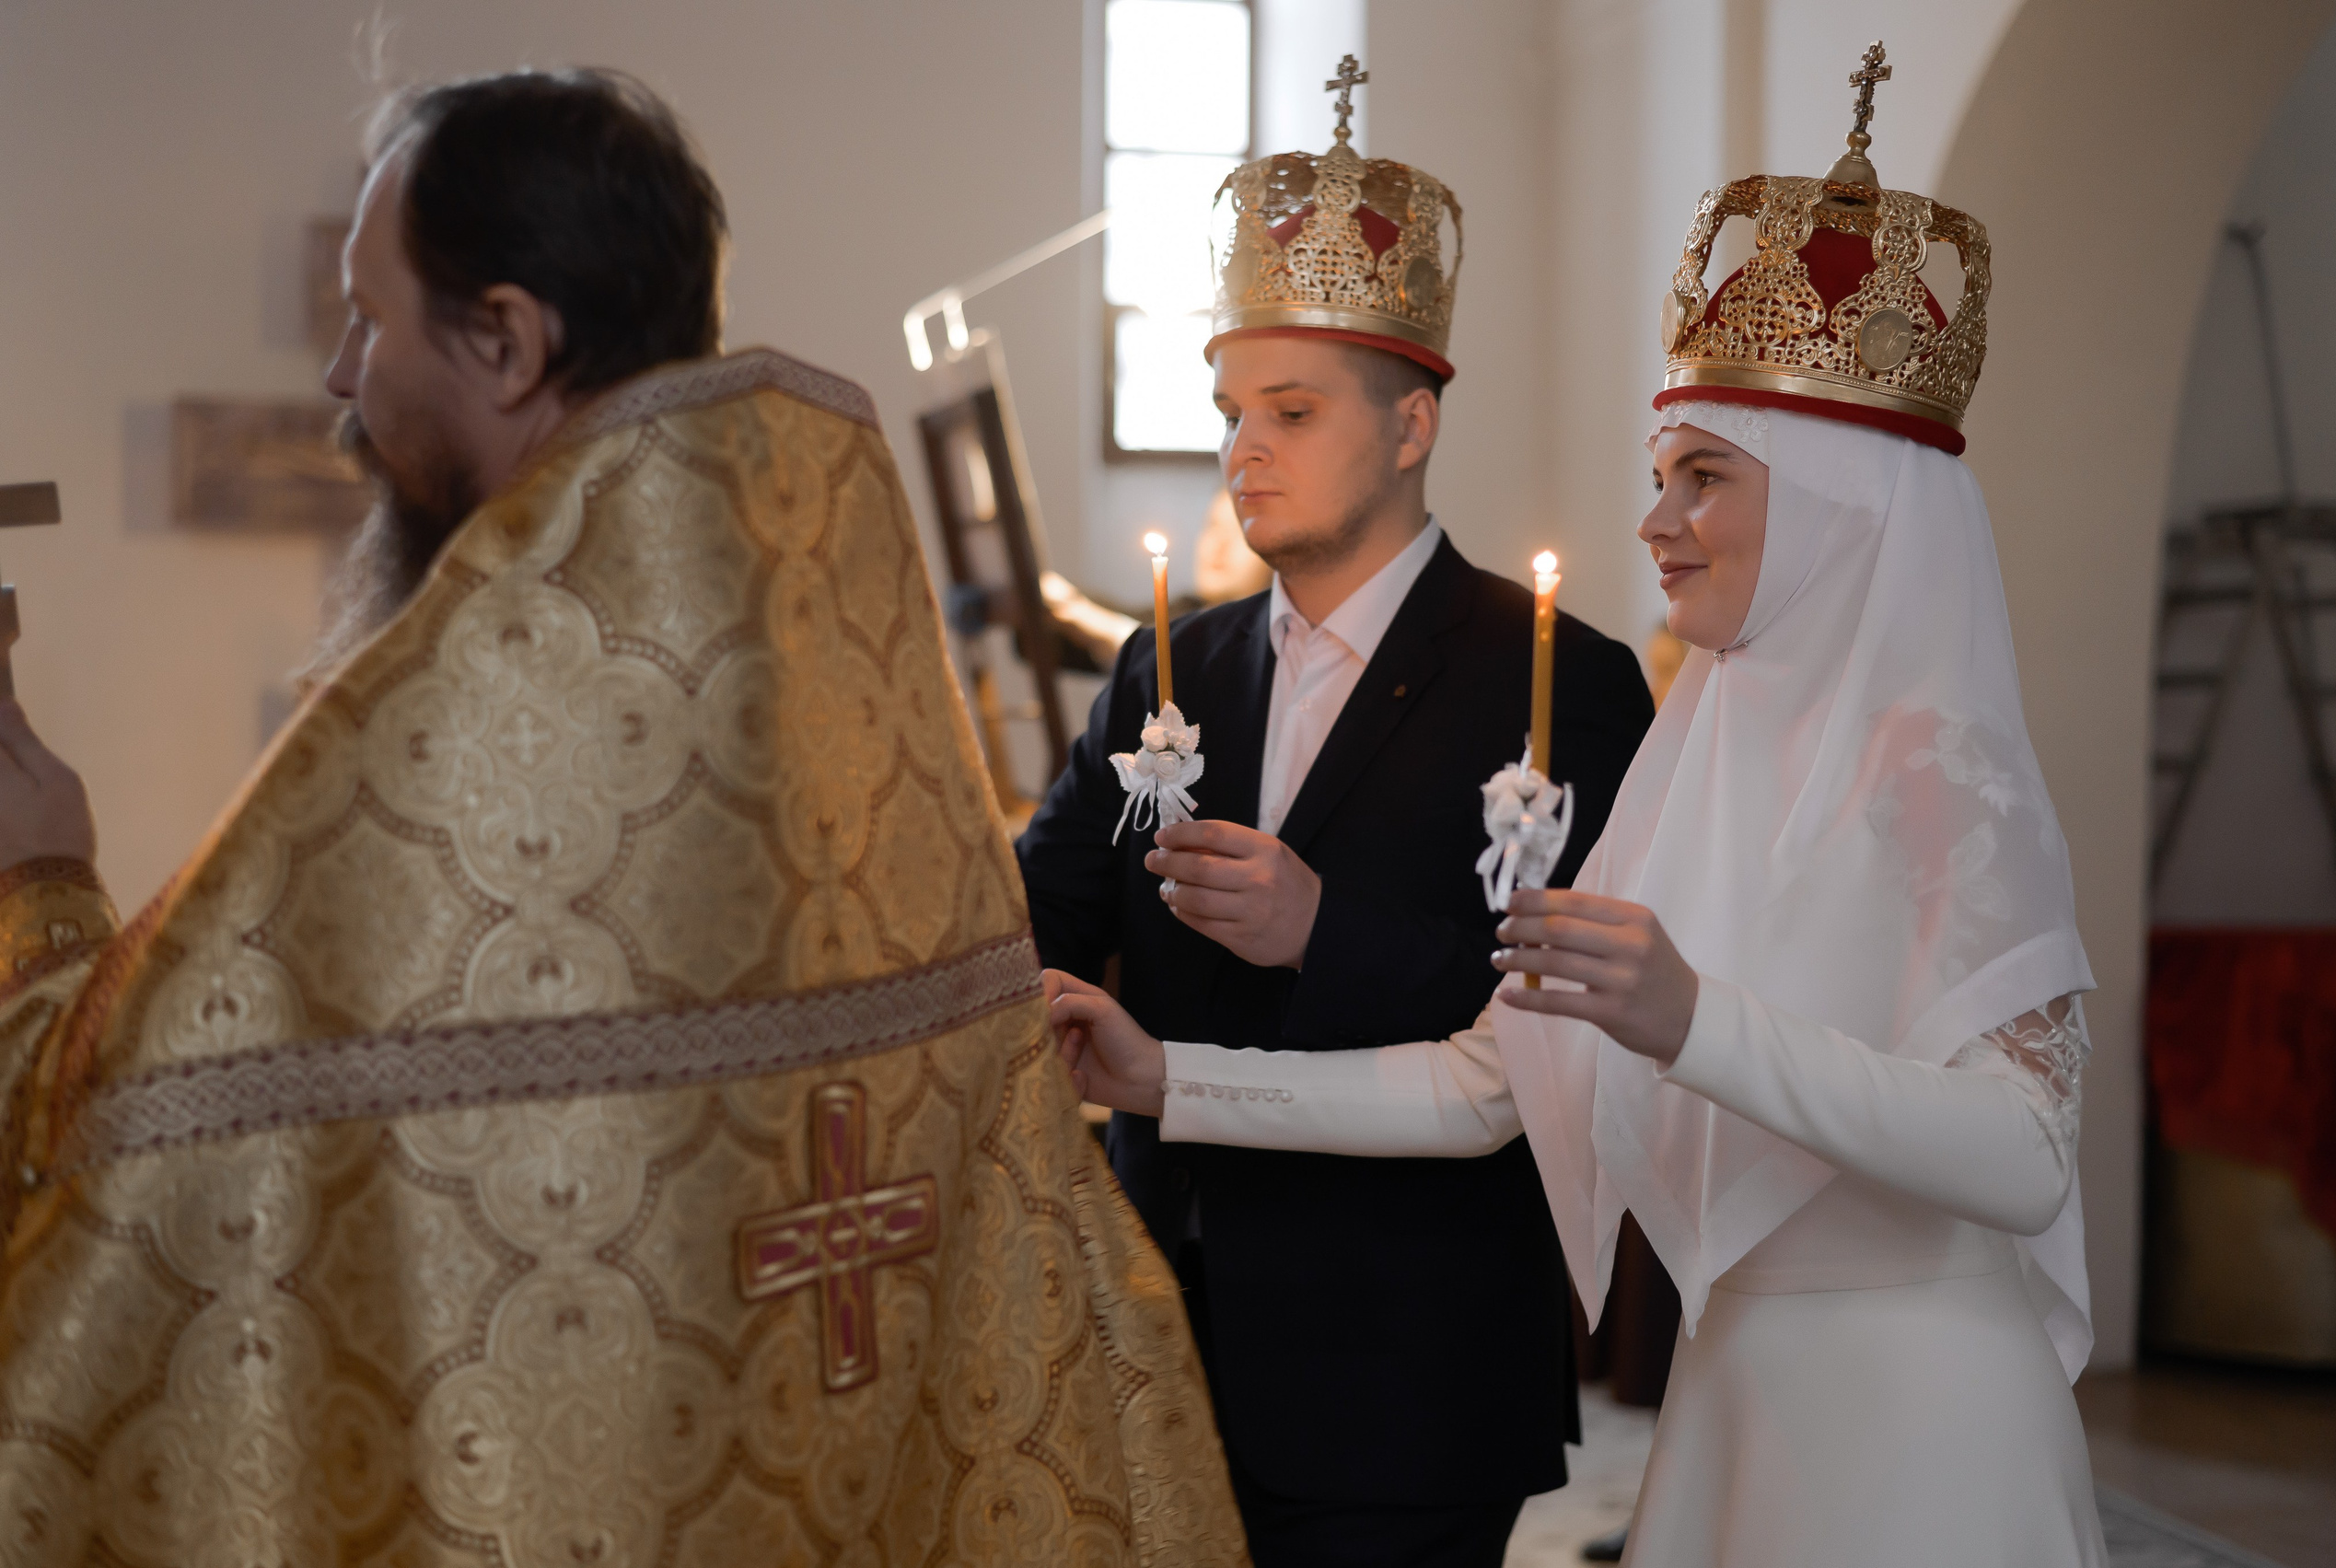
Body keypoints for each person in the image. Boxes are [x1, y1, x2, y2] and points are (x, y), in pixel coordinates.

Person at [0, 68, 1244, 1565]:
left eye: (368, 316)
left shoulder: (426, 752)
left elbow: (126, 1159)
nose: (339, 371)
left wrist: (39, 894)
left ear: (509, 340)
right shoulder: (853, 691)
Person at [1043, 61, 2112, 1567]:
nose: (1653, 520)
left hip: (1921, 1412)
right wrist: (1168, 1079)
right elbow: (1488, 1085)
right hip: (1736, 1391)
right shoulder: (1702, 750)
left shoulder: (1942, 766)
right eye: (1656, 474)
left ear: (1841, 505)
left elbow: (2028, 1155)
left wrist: (1695, 1020)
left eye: (1700, 480)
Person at [1017, 59, 1656, 1568]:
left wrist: (1325, 931)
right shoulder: (1169, 667)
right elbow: (1045, 908)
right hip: (1160, 1332)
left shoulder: (1558, 681)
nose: (1245, 449)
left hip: (1404, 1366)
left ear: (1413, 422)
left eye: (1291, 411)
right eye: (1232, 409)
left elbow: (1567, 1028)